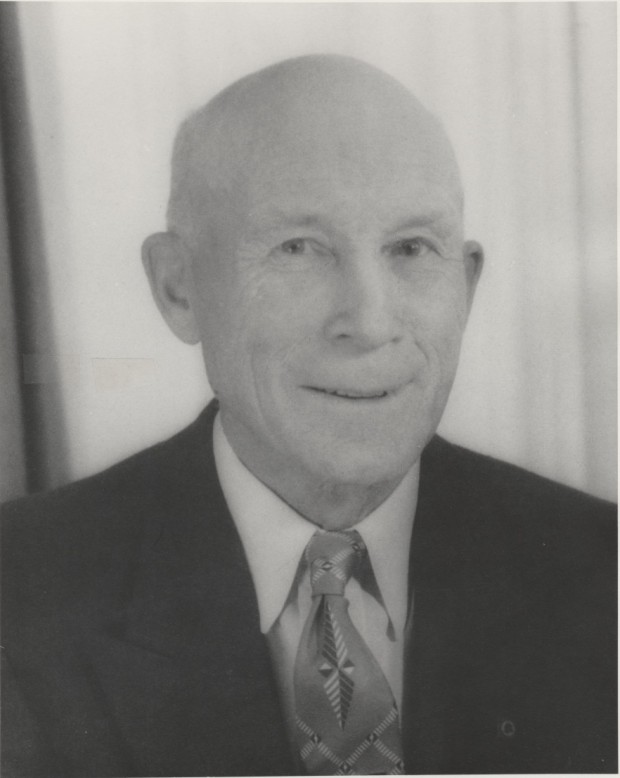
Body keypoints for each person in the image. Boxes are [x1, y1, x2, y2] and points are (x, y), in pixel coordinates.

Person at [1, 55, 616, 777]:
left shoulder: (603, 574)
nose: (368, 320)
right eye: (299, 248)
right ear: (178, 288)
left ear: (467, 285)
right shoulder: (21, 590)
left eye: (412, 248)